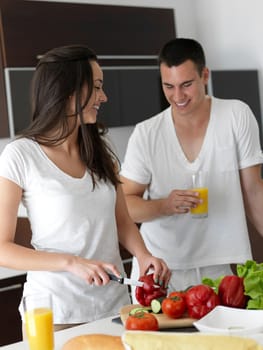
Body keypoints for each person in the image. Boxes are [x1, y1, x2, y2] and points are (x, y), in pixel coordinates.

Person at [0, 45, 170, 333]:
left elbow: (122, 221)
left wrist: (144, 256)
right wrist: (72, 263)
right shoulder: (20, 155)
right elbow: (2, 248)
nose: (103, 97)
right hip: (56, 311)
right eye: (97, 87)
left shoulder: (99, 148)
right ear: (69, 91)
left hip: (113, 305)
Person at [120, 38, 263, 301]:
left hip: (223, 267)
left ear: (204, 75)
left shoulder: (236, 115)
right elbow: (124, 204)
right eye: (168, 86)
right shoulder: (146, 133)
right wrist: (165, 205)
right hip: (161, 271)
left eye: (186, 85)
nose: (177, 96)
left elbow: (254, 192)